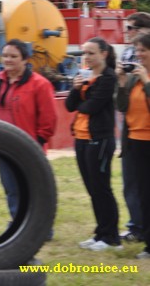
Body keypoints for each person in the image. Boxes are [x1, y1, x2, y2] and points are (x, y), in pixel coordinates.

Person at [0, 39, 57, 222]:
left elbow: (49, 118)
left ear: (25, 60)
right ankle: (18, 226)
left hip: (29, 146)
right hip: (3, 146)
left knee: (32, 189)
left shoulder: (40, 84)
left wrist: (38, 141)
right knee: (11, 189)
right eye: (5, 56)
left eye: (14, 56)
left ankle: (41, 228)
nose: (8, 60)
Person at [65, 37, 121, 251]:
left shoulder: (108, 78)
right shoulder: (84, 77)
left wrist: (81, 95)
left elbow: (92, 107)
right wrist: (76, 89)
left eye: (91, 53)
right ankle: (100, 233)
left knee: (102, 188)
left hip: (99, 139)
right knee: (92, 189)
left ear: (104, 54)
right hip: (81, 139)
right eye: (84, 53)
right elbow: (71, 106)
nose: (86, 57)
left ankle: (112, 238)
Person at [116, 33, 150, 259]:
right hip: (136, 141)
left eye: (143, 51)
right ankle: (148, 240)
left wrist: (147, 81)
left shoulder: (144, 78)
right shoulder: (134, 78)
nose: (138, 55)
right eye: (137, 51)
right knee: (144, 194)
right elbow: (121, 107)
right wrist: (121, 84)